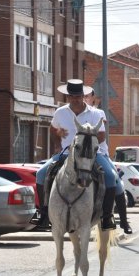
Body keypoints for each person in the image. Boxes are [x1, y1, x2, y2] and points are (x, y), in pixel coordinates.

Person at [35, 79, 119, 232]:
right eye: (72, 96)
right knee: (41, 174)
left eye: (78, 96)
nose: (75, 99)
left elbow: (101, 136)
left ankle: (107, 217)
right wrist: (57, 145)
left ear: (83, 96)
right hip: (66, 153)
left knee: (110, 176)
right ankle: (44, 214)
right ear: (68, 97)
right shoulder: (60, 112)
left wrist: (86, 140)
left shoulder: (94, 113)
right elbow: (53, 130)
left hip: (91, 155)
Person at [84, 91, 132, 234]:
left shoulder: (99, 113)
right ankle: (47, 214)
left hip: (98, 153)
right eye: (83, 95)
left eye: (88, 95)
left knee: (113, 178)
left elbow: (101, 136)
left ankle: (121, 220)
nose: (85, 98)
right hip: (75, 152)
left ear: (93, 97)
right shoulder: (68, 112)